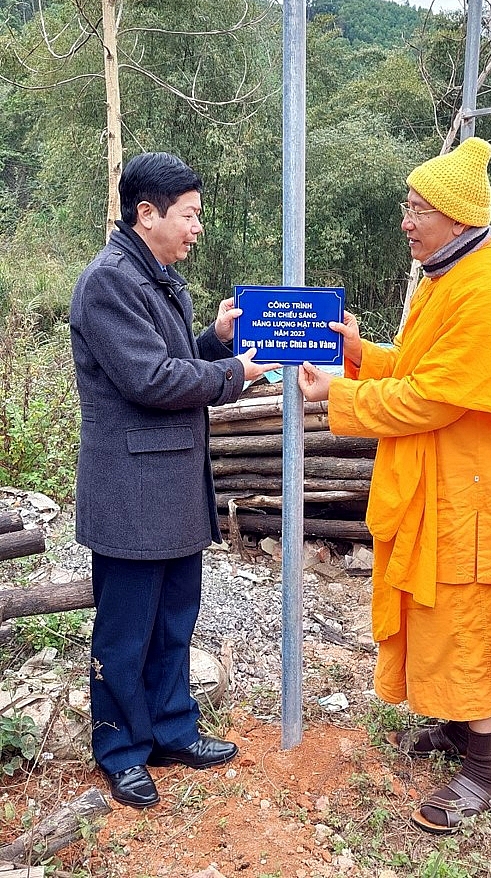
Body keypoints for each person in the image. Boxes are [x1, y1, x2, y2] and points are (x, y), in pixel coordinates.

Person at [298, 137, 491, 835]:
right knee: (440, 615)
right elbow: (423, 367)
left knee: (471, 620)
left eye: (417, 209)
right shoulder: (450, 277)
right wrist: (362, 356)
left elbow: (434, 399)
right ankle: (457, 728)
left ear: (455, 216)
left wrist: (341, 396)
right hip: (447, 485)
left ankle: (485, 771)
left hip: (475, 497)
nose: (405, 221)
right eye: (407, 206)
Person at [70, 151, 278, 809]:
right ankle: (122, 750)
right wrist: (238, 372)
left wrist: (213, 342)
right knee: (126, 631)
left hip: (173, 486)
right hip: (133, 492)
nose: (197, 229)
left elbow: (172, 357)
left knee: (174, 620)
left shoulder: (156, 276)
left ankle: (169, 729)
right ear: (147, 213)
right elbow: (151, 379)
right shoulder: (108, 282)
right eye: (190, 216)